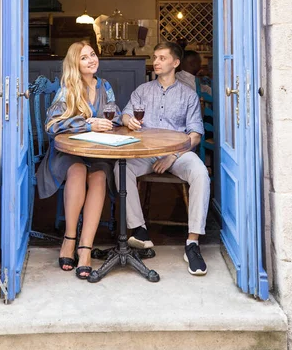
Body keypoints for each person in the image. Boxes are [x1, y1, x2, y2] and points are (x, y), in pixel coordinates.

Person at [115, 42, 210, 276]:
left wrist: (173, 156)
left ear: (175, 63)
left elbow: (195, 135)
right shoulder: (143, 90)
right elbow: (125, 113)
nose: (156, 62)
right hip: (145, 152)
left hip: (177, 153)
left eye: (162, 58)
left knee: (200, 173)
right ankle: (140, 230)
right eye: (155, 58)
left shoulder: (188, 94)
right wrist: (128, 121)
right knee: (120, 167)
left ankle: (193, 243)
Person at [37, 41, 121, 279]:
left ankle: (85, 247)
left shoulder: (105, 86)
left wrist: (116, 120)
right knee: (77, 172)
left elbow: (113, 114)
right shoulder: (68, 88)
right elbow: (51, 125)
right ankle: (69, 238)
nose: (91, 60)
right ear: (76, 64)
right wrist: (86, 124)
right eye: (84, 58)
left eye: (92, 54)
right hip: (68, 153)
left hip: (97, 151)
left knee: (99, 176)